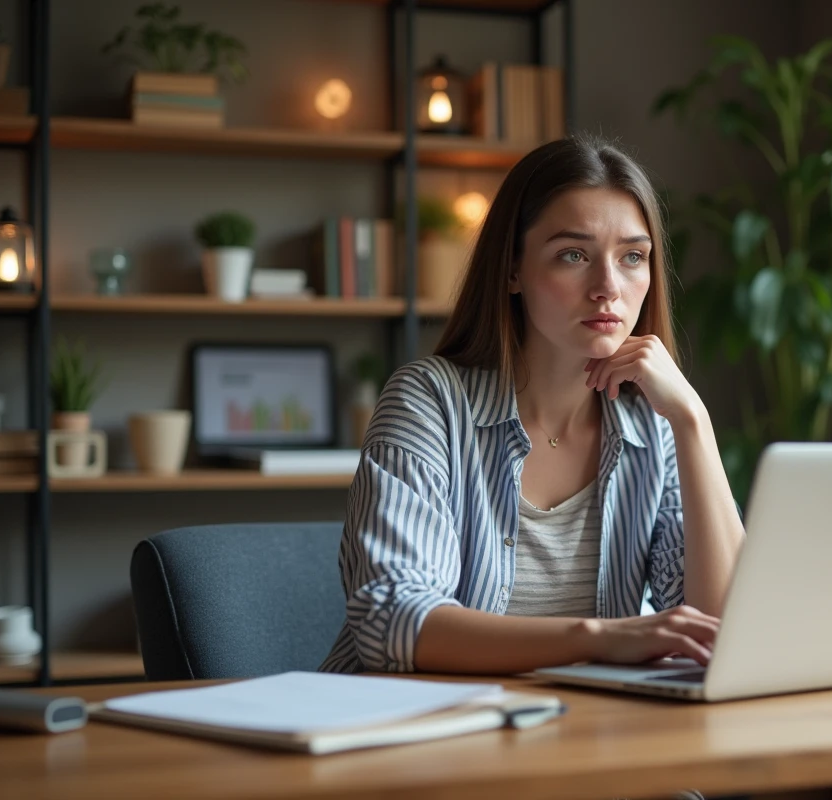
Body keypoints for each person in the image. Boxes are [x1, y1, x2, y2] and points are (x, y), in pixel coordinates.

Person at [319, 134, 745, 676]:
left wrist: (692, 422)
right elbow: (395, 622)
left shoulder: (652, 427)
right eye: (573, 255)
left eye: (633, 257)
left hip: (578, 738)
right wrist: (599, 638)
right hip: (412, 740)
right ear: (514, 270)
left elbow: (723, 633)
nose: (608, 287)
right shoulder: (429, 403)